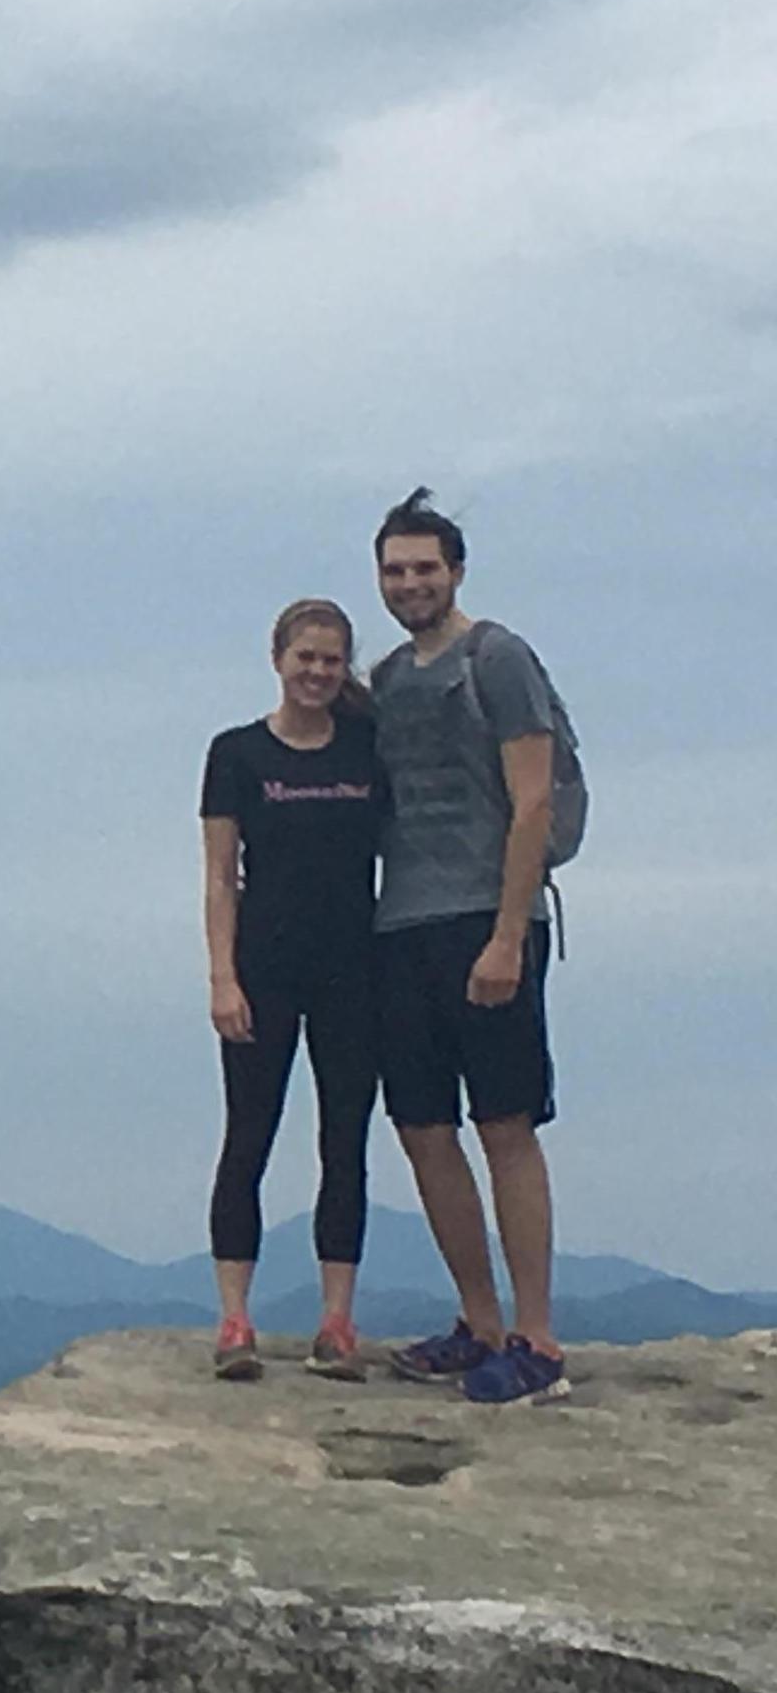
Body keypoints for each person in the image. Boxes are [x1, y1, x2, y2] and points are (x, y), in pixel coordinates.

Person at [368, 487, 571, 1406]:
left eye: (425, 567)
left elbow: (533, 799)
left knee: (504, 1123)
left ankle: (537, 1338)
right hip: (400, 922)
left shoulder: (499, 658)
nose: (411, 583)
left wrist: (506, 932)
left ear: (456, 571)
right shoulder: (388, 679)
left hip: (490, 919)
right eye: (395, 569)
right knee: (421, 1128)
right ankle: (478, 1322)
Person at [201, 599, 384, 1383]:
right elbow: (218, 876)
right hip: (262, 970)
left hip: (355, 971)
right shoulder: (236, 753)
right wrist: (222, 976)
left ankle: (336, 1322)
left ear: (345, 667)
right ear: (277, 658)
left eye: (331, 660)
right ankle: (234, 1318)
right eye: (304, 657)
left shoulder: (369, 750)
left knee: (344, 1143)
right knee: (249, 1138)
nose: (316, 672)